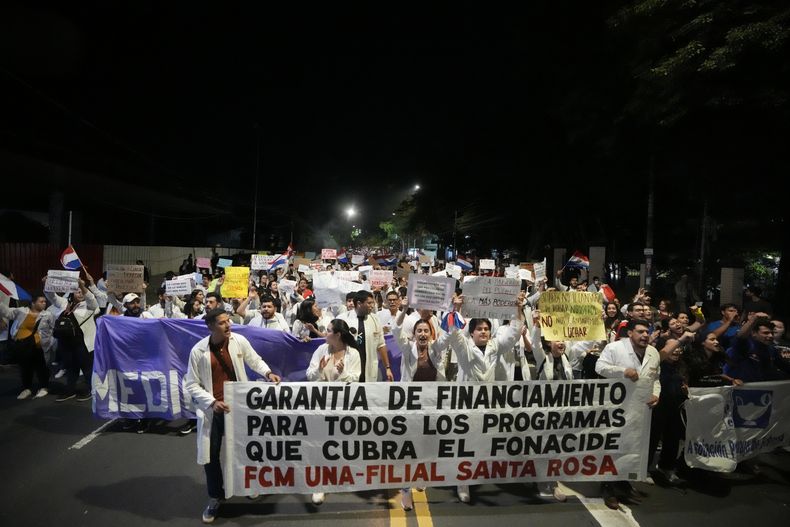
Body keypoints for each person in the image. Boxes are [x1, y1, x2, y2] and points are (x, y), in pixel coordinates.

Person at [184, 308, 282, 524]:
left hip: (238, 406)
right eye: (222, 323)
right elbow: (191, 383)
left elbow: (254, 360)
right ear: (210, 327)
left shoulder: (238, 340)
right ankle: (215, 497)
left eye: (228, 321)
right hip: (214, 411)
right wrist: (212, 402)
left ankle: (247, 484)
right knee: (211, 456)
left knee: (244, 450)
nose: (228, 325)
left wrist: (267, 372)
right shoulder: (198, 352)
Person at [595, 318, 661, 510]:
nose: (645, 335)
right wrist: (623, 371)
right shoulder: (615, 348)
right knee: (613, 447)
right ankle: (608, 488)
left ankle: (623, 485)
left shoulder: (653, 352)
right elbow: (599, 367)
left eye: (647, 331)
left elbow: (655, 377)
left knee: (632, 448)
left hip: (641, 409)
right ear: (630, 333)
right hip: (616, 407)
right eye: (640, 331)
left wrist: (656, 393)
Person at [304, 319, 361, 505]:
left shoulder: (353, 354)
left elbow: (354, 380)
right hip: (321, 404)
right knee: (320, 442)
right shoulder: (321, 350)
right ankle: (320, 483)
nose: (324, 332)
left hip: (343, 406)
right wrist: (319, 370)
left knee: (339, 442)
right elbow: (309, 375)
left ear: (337, 335)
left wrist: (343, 373)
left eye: (328, 330)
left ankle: (339, 475)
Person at [45, 279, 99, 402]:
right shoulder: (65, 303)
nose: (80, 293)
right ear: (71, 293)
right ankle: (70, 390)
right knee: (71, 368)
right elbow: (51, 296)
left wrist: (82, 285)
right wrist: (47, 284)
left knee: (87, 368)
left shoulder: (89, 306)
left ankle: (91, 389)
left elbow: (92, 300)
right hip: (66, 343)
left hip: (84, 343)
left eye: (82, 292)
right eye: (77, 291)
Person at [0, 290, 53, 399]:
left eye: (44, 301)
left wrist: (50, 341)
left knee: (41, 367)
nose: (44, 303)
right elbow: (7, 313)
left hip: (39, 345)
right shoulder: (22, 311)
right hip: (23, 344)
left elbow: (52, 329)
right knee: (25, 367)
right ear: (33, 303)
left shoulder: (48, 314)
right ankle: (26, 388)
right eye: (41, 301)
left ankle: (43, 387)